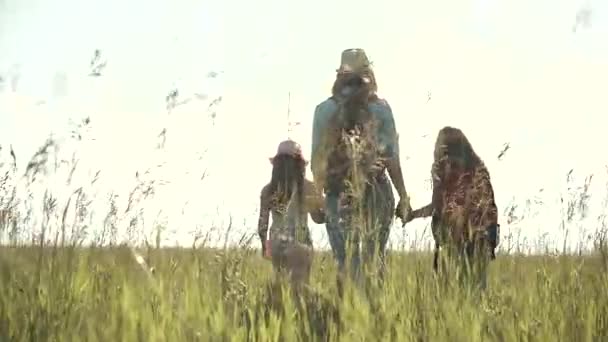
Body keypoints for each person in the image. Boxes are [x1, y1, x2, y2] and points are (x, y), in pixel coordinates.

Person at [310, 48, 413, 280]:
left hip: (338, 193)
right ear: (369, 74)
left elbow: (319, 161)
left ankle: (349, 312)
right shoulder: (382, 109)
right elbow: (392, 159)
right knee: (374, 262)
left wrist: (318, 198)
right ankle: (376, 313)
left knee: (345, 265)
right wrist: (403, 196)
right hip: (377, 191)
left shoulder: (324, 110)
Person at [406, 126, 500, 289]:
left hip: (456, 238)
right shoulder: (479, 168)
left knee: (456, 291)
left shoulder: (443, 168)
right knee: (477, 291)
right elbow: (489, 209)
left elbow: (438, 206)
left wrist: (412, 215)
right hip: (482, 237)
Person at [257, 139, 326, 287]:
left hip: (276, 244)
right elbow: (318, 218)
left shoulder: (268, 190)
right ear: (300, 164)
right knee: (301, 287)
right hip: (301, 243)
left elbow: (262, 225)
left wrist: (265, 247)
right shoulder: (308, 188)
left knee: (281, 285)